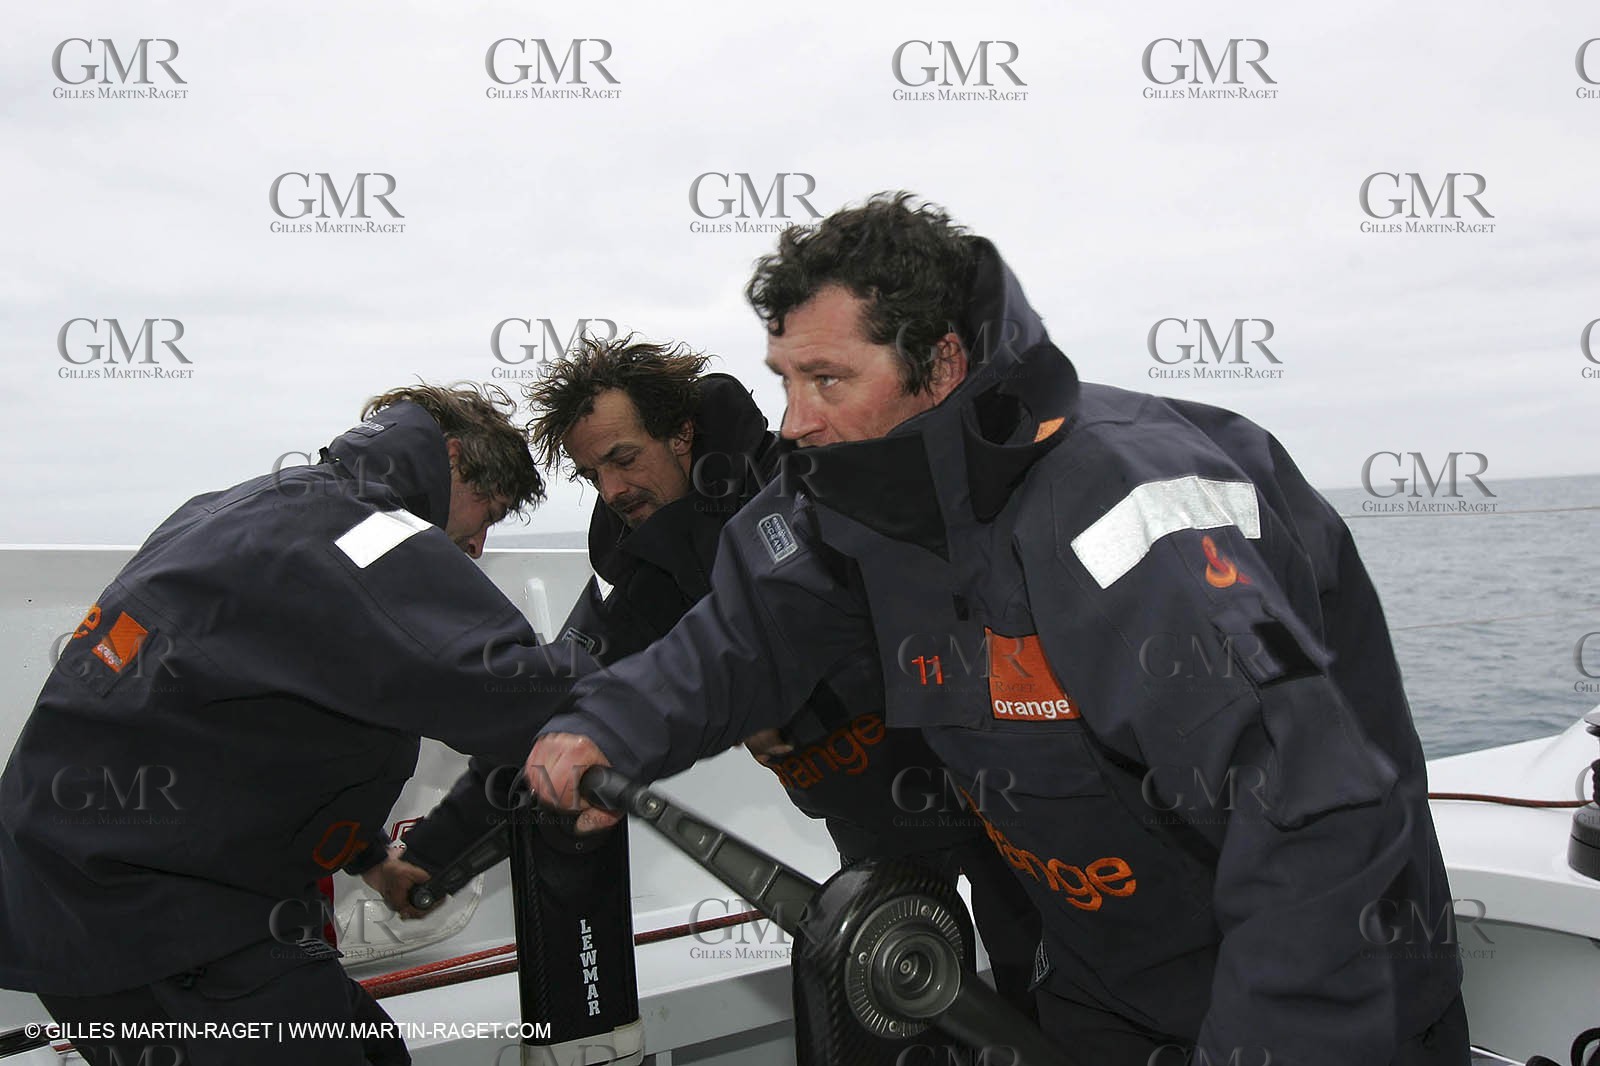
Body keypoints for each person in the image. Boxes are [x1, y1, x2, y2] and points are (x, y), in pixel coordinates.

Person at [526, 194, 1469, 1065]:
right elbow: (735, 641)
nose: (794, 423)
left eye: (827, 380)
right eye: (785, 380)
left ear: (941, 366)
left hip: (1317, 1000)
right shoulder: (850, 502)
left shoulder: (1127, 512)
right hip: (1102, 989)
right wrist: (606, 728)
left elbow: (1313, 818)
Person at [365, 336, 1041, 1026]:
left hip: (986, 791)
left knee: (1044, 995)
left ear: (682, 432)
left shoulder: (805, 488)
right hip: (869, 822)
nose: (612, 490)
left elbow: (926, 608)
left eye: (624, 458)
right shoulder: (648, 568)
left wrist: (781, 690)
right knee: (892, 1016)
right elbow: (553, 713)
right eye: (592, 472)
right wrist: (431, 854)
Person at [0, 383, 594, 1066]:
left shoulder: (243, 505)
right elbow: (502, 694)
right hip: (155, 914)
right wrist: (658, 679)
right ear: (452, 458)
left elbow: (269, 715)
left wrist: (370, 858)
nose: (479, 544)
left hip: (65, 888)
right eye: (487, 512)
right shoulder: (371, 533)